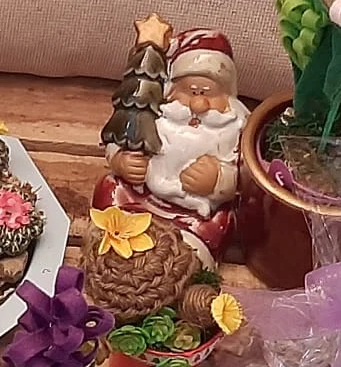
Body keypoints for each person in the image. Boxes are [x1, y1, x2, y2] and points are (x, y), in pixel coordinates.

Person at [93, 27, 248, 264]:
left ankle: (183, 260)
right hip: (142, 198)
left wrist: (218, 181)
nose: (198, 104)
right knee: (111, 189)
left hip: (194, 213)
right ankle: (119, 241)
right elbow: (118, 141)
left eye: (209, 94)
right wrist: (121, 161)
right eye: (191, 92)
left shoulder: (237, 128)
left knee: (220, 224)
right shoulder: (154, 116)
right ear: (172, 91)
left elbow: (246, 177)